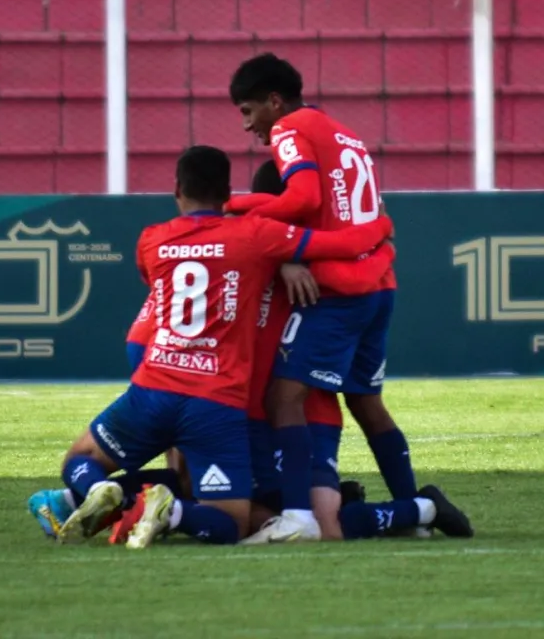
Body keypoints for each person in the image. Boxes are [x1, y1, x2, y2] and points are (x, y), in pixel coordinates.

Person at [56, 145, 394, 548]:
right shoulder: (255, 237)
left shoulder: (152, 240)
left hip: (153, 388)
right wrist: (380, 224)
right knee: (231, 523)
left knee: (79, 460)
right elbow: (340, 245)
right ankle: (174, 510)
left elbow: (158, 283)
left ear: (177, 188)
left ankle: (103, 491)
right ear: (228, 190)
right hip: (216, 403)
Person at [224, 53, 416, 544]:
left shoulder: (290, 130)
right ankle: (412, 509)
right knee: (367, 403)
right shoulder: (344, 134)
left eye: (249, 112)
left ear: (274, 101)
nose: (248, 126)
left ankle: (297, 518)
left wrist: (238, 205)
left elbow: (305, 199)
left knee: (283, 396)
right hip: (379, 285)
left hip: (339, 291)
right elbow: (363, 210)